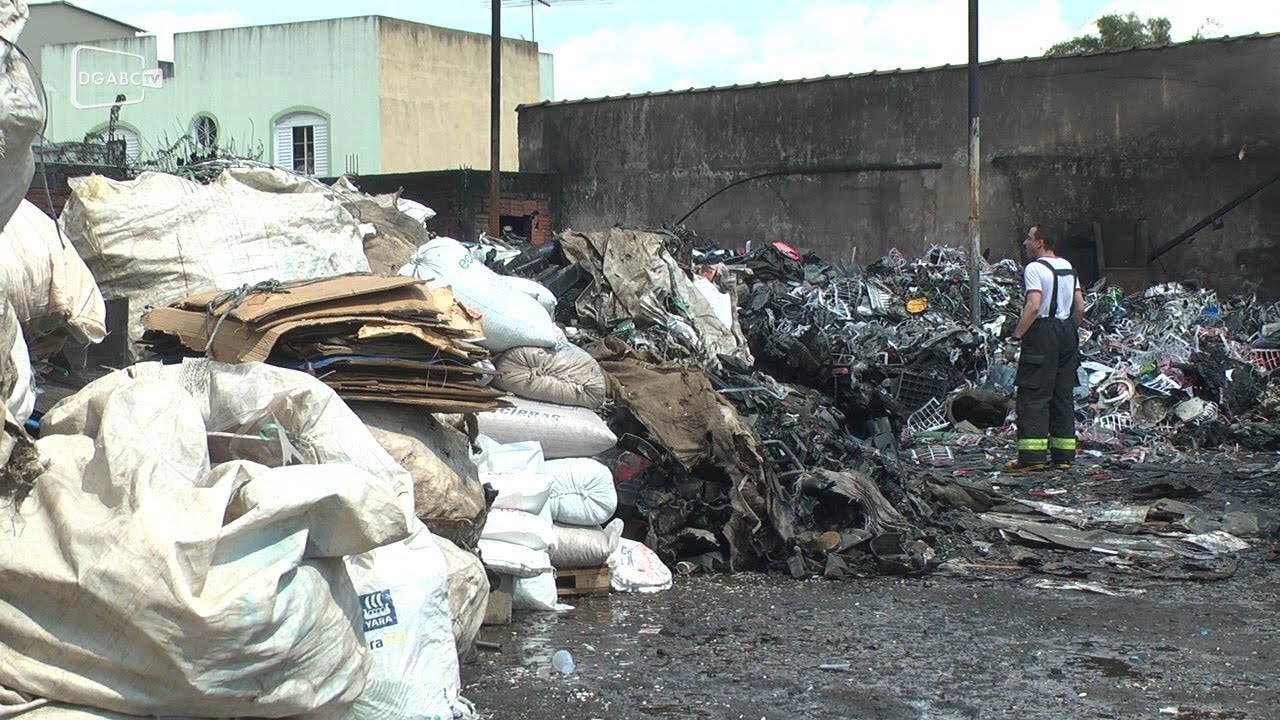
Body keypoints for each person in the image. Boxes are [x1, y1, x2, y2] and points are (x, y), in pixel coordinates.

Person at [1004, 225, 1085, 472]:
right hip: (1067, 332)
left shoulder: (1034, 268)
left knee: (1034, 394)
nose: (1025, 243)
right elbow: (1080, 307)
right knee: (1062, 395)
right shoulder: (1068, 267)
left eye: (1029, 238)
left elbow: (1033, 305)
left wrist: (1016, 337)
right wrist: (1069, 330)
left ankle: (1032, 459)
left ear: (1040, 242)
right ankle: (1063, 457)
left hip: (1043, 333)